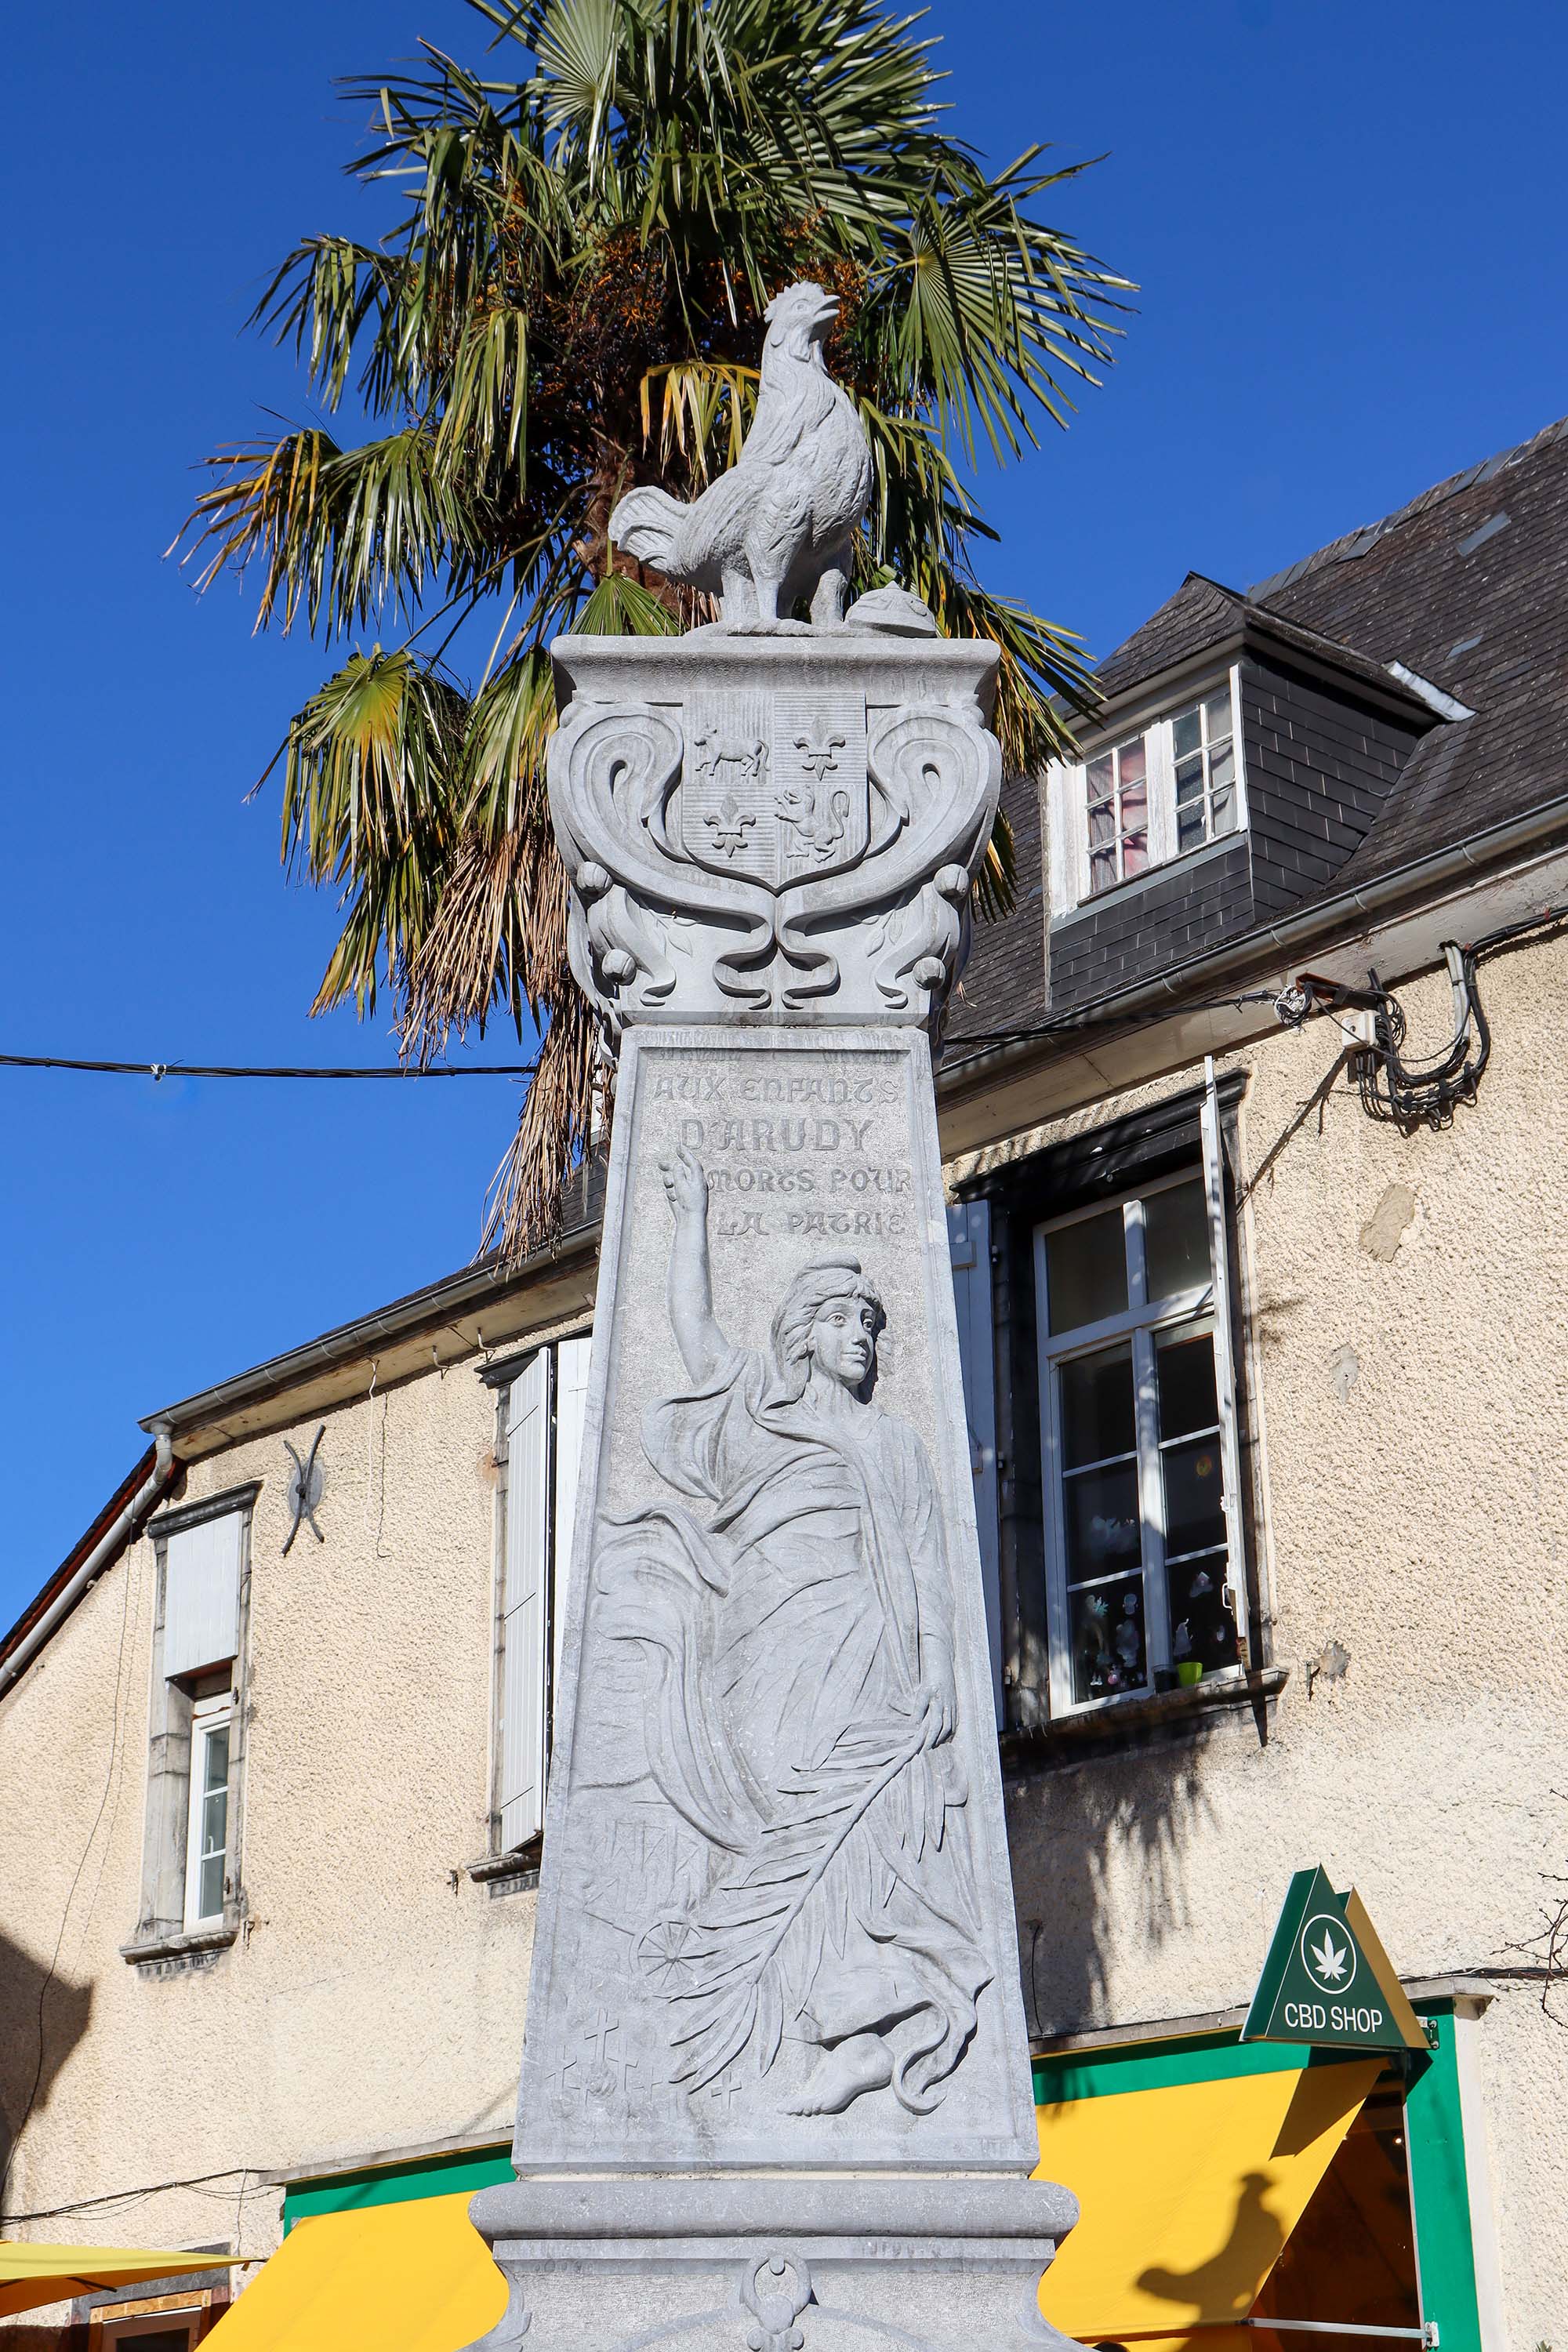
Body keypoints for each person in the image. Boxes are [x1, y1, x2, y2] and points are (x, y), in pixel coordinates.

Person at [597, 1147, 990, 2118]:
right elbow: (691, 1328)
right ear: (802, 1336)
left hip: (870, 1666)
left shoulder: (895, 1444)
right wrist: (689, 1215)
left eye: (872, 1324)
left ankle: (869, 2036)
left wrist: (937, 1669)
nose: (864, 1337)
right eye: (845, 1321)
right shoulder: (755, 1418)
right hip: (766, 1665)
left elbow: (926, 1561)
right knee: (778, 1831)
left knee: (869, 1851)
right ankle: (848, 2019)